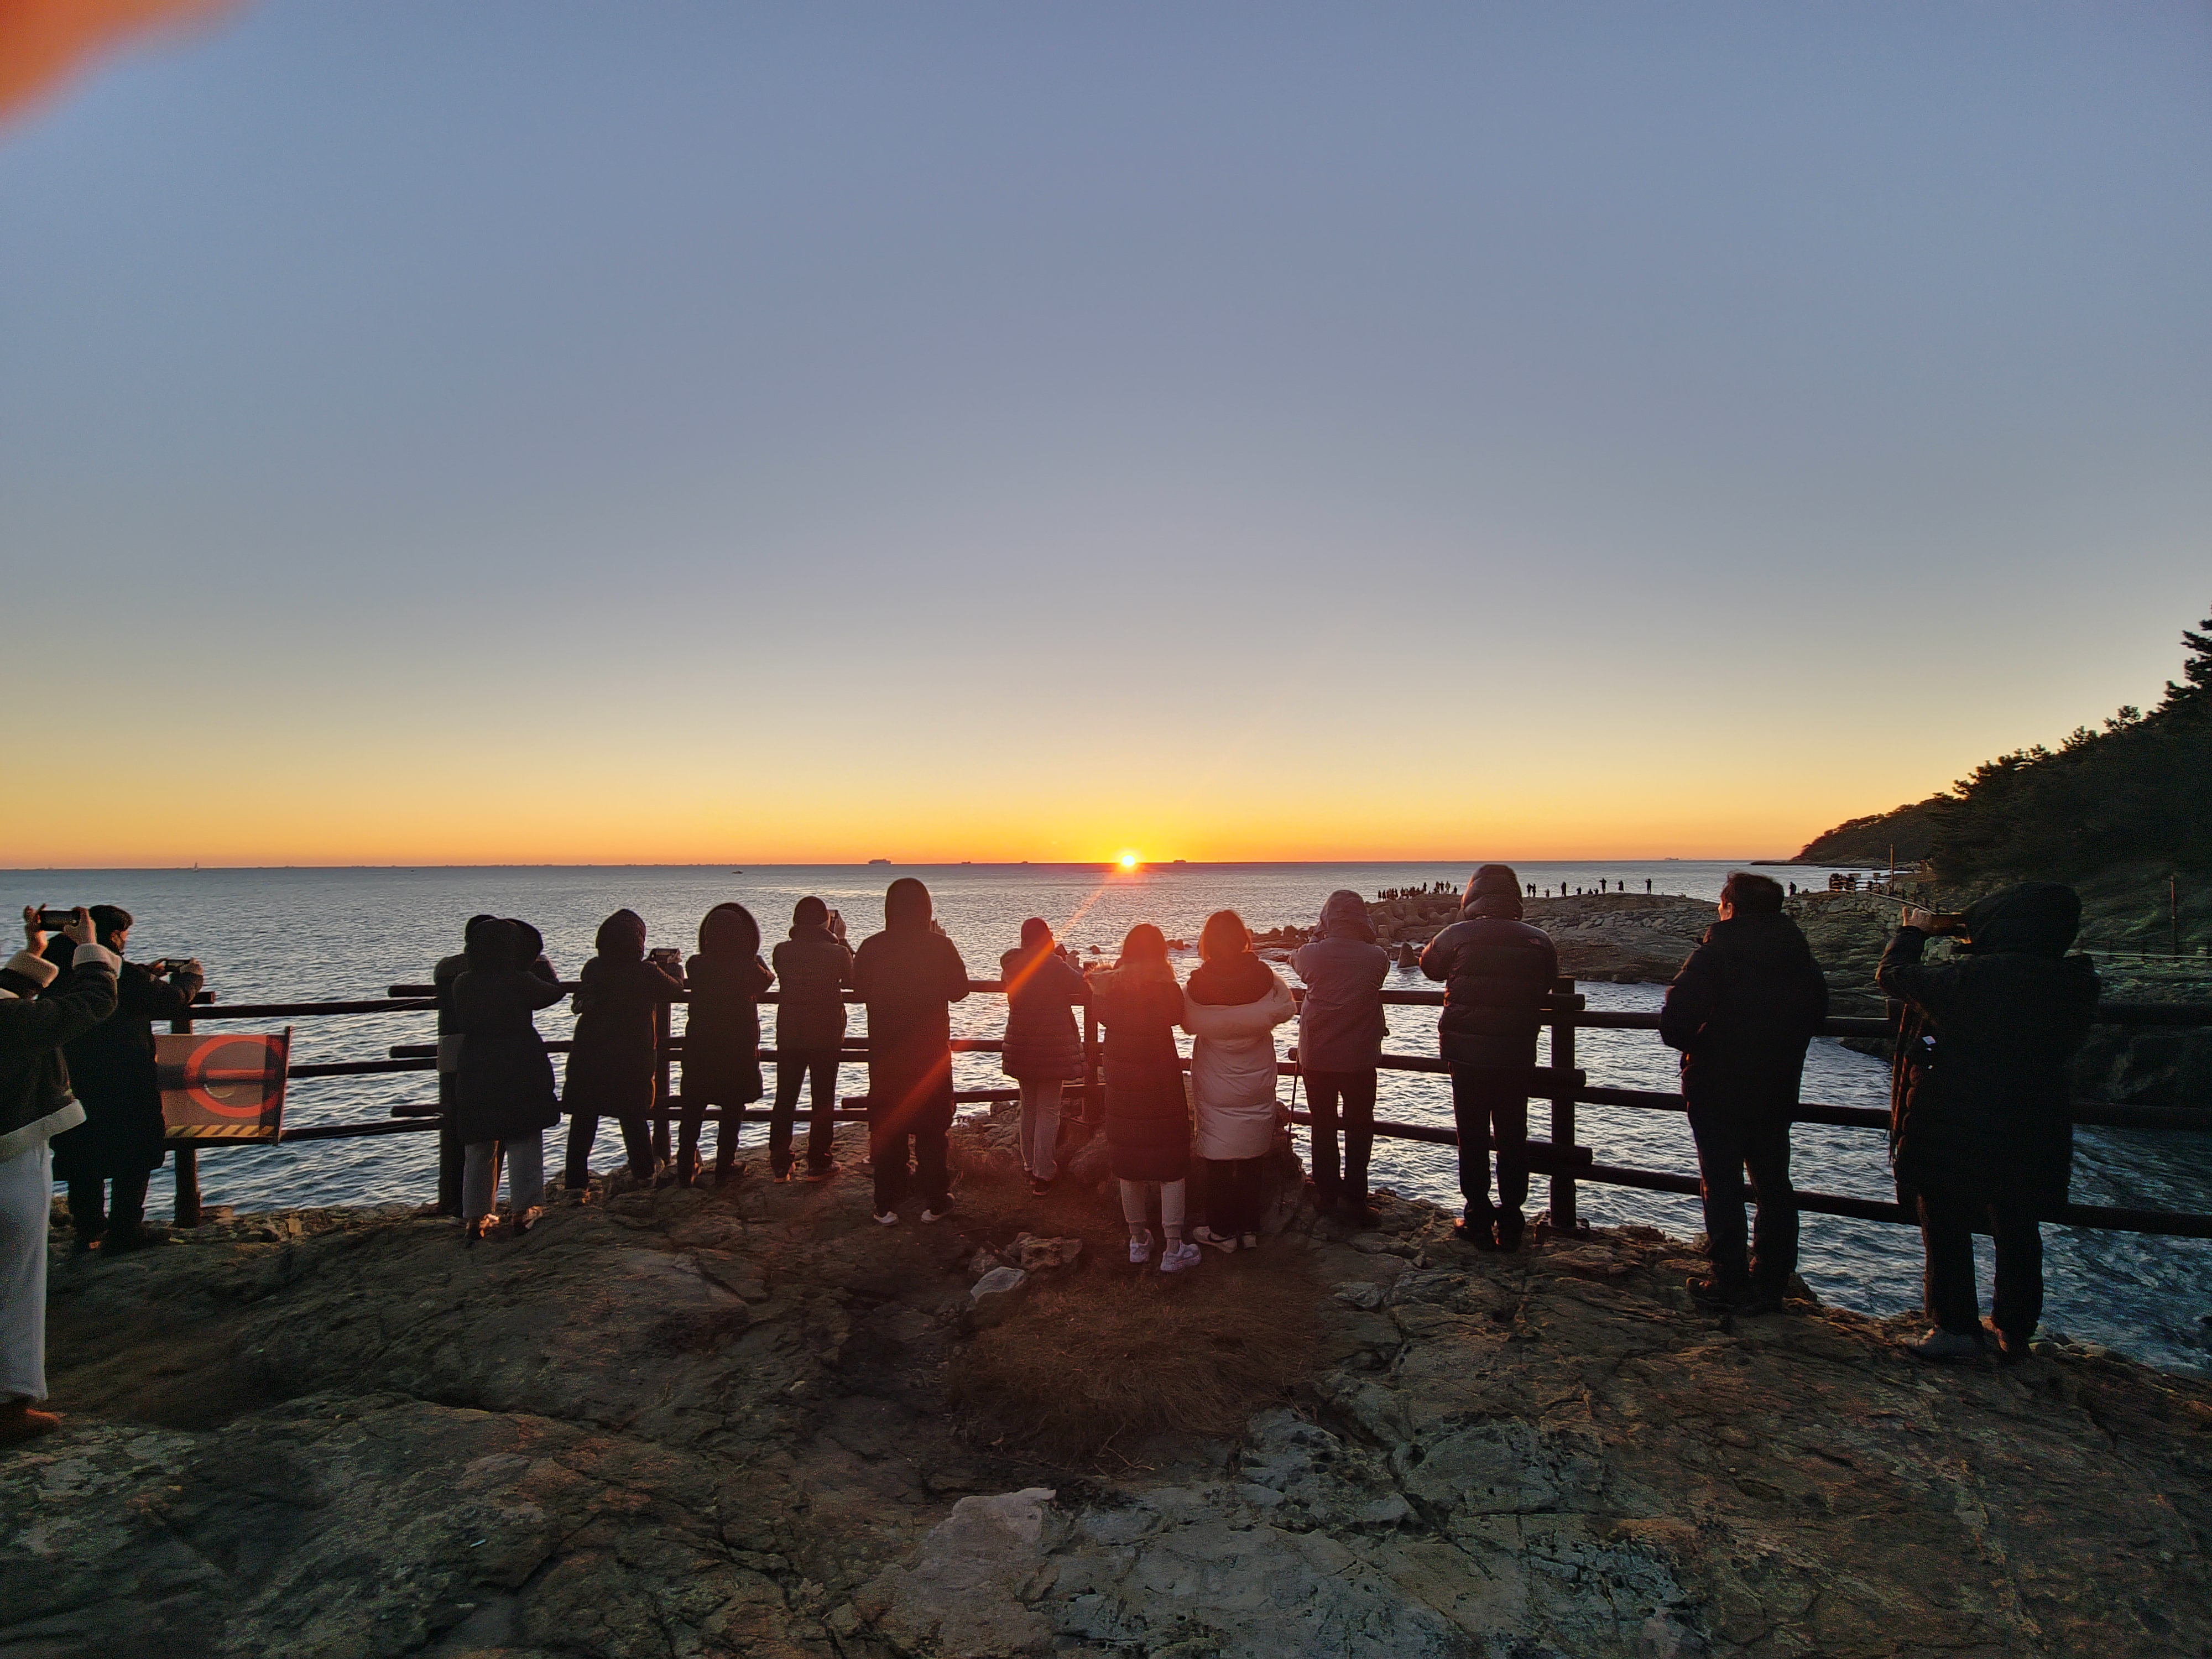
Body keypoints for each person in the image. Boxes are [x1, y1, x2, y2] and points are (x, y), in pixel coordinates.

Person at [1879, 885, 2099, 1362]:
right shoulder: (2074, 981)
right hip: (2034, 1118)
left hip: (1956, 1115)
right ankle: (2013, 1330)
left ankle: (1956, 1328)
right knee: (2018, 1222)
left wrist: (1912, 932)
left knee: (1944, 1219)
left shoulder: (1974, 978)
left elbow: (1894, 975)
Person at [1658, 872, 1827, 1313]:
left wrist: (1708, 1043)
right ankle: (1771, 1282)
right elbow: (1818, 1014)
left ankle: (1729, 1281)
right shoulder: (1799, 956)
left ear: (1731, 907)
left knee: (1723, 1184)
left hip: (1717, 1085)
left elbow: (1675, 1024)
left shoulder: (1716, 954)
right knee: (1774, 1184)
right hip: (1777, 1084)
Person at [1, 907, 118, 1444]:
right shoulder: (12, 1024)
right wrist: (89, 949)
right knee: (19, 1285)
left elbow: (7, 993)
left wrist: (36, 952)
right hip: (13, 1159)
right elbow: (94, 1000)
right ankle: (11, 1406)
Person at [47, 904, 202, 1255]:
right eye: (124, 935)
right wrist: (191, 978)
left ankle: (88, 1230)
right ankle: (125, 1230)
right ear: (114, 936)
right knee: (135, 1150)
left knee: (81, 1149)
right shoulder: (117, 971)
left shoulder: (55, 967)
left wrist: (143, 972)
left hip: (69, 1077)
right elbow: (168, 1000)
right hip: (125, 1076)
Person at [1420, 864, 1558, 1250]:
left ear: (1473, 894)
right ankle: (1512, 1220)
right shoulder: (1539, 940)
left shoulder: (1458, 934)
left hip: (1466, 1056)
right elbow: (1547, 983)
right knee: (1514, 1136)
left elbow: (1429, 967)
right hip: (1516, 1053)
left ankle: (1478, 1216)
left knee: (1474, 1136)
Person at [852, 879, 969, 1224]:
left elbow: (859, 990)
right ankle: (935, 1200)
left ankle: (887, 1203)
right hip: (930, 1050)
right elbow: (960, 990)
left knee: (889, 1125)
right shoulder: (939, 946)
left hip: (886, 1052)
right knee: (933, 1129)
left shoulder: (872, 946)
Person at [1183, 911, 1296, 1252]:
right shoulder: (1265, 976)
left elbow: (1185, 1018)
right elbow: (1287, 1008)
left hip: (1215, 1073)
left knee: (1217, 1152)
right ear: (1242, 938)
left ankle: (1221, 1230)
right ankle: (1249, 1229)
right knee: (1252, 1149)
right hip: (1257, 1072)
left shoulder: (1198, 983)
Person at [1088, 924, 1197, 1271]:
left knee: (1128, 1161)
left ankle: (1138, 1241)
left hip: (1122, 1085)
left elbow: (1100, 1015)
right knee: (1171, 1162)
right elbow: (1178, 1017)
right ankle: (1174, 1247)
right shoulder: (1165, 986)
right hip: (1161, 1083)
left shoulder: (1106, 987)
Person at [452, 919, 565, 1241]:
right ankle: (524, 1209)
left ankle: (475, 1215)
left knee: (479, 1141)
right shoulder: (518, 981)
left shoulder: (463, 982)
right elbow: (552, 993)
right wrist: (543, 967)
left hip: (476, 1064)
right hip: (519, 1062)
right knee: (523, 1136)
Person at [562, 909, 685, 1193]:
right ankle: (644, 1174)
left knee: (584, 1118)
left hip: (590, 1053)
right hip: (631, 1055)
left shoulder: (594, 967)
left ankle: (575, 1185)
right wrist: (674, 968)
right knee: (633, 1116)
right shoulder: (645, 971)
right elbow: (675, 990)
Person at [1291, 890, 1390, 1227]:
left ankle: (1327, 1196)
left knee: (1323, 1125)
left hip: (1317, 1055)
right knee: (1360, 1128)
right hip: (1360, 1057)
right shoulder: (1377, 957)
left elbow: (1296, 960)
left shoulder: (1312, 955)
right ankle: (1356, 1199)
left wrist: (1320, 935)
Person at [681, 902, 774, 1186]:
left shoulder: (696, 965)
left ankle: (685, 1168)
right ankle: (725, 1164)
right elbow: (767, 979)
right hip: (737, 1046)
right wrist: (752, 954)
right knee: (733, 1109)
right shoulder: (748, 968)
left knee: (692, 1110)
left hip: (700, 1046)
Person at [999, 917, 1088, 1196]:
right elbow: (1082, 986)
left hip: (1022, 1045)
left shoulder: (1012, 966)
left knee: (1029, 1107)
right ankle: (1044, 1173)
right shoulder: (1052, 964)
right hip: (1050, 1047)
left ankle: (1029, 1165)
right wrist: (1070, 965)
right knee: (1049, 1109)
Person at [769, 898, 853, 1182]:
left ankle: (781, 1163)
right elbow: (853, 979)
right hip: (826, 1032)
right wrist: (841, 940)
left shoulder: (782, 951)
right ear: (825, 922)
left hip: (790, 1031)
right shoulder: (836, 953)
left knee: (785, 1097)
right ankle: (819, 1161)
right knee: (823, 1097)